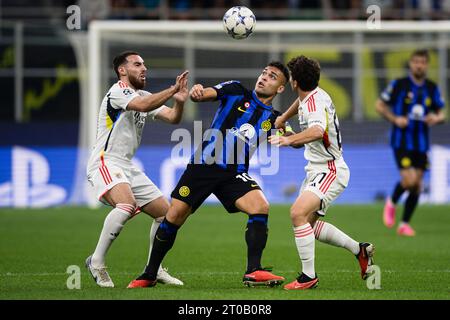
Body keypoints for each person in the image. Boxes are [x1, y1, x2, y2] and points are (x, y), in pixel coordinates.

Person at [127, 61, 290, 288]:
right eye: (264, 73)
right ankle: (149, 274)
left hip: (234, 173)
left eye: (272, 77)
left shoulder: (273, 118)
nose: (264, 78)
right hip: (204, 166)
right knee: (174, 217)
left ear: (280, 88)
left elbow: (291, 137)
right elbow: (204, 94)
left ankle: (254, 270)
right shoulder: (235, 91)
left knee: (260, 206)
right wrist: (197, 92)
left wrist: (288, 137)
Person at [268, 55, 374, 290]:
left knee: (297, 213)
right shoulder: (312, 96)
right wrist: (284, 119)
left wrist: (289, 140)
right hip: (317, 169)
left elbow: (317, 130)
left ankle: (308, 277)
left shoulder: (314, 103)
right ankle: (360, 250)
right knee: (308, 225)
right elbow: (301, 106)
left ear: (294, 82)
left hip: (330, 169)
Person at [85, 51, 189, 287]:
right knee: (126, 204)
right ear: (122, 70)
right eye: (137, 64)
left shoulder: (142, 94)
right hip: (105, 161)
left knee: (167, 215)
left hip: (126, 166)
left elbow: (173, 118)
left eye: (145, 64)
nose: (144, 68)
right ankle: (97, 261)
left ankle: (154, 269)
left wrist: (179, 102)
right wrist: (173, 90)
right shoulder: (118, 91)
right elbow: (142, 106)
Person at [376, 49, 445, 236]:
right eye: (416, 62)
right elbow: (379, 105)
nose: (419, 65)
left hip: (421, 143)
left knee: (417, 185)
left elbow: (441, 112)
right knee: (409, 180)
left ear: (427, 65)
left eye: (422, 62)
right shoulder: (399, 85)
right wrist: (395, 118)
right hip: (401, 141)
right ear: (411, 64)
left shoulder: (432, 88)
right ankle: (392, 201)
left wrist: (435, 118)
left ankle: (404, 224)